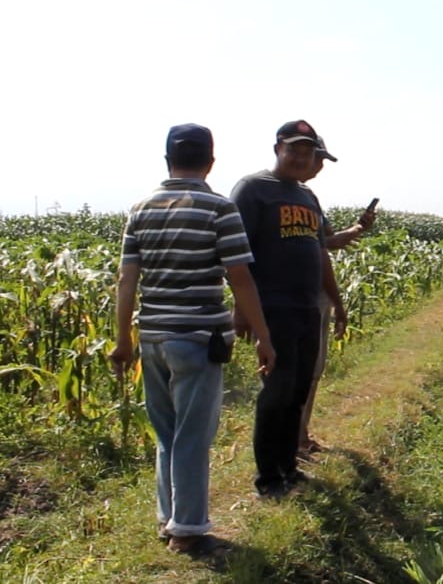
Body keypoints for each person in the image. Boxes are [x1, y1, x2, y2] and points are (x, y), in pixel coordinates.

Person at [109, 123, 275, 554]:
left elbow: (127, 279)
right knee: (193, 436)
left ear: (167, 161)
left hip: (153, 337)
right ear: (211, 162)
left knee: (167, 434)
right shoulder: (219, 209)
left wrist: (123, 339)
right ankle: (187, 530)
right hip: (199, 337)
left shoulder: (140, 209)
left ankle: (170, 518)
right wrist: (263, 337)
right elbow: (240, 277)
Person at [230, 119, 347, 498]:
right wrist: (242, 309)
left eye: (307, 151)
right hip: (273, 307)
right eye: (294, 149)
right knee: (276, 391)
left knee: (297, 390)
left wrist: (336, 300)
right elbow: (236, 254)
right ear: (277, 148)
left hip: (306, 307)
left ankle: (288, 468)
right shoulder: (252, 190)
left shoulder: (306, 197)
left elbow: (319, 249)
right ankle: (268, 479)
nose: (300, 157)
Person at [297, 140, 377, 459]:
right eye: (320, 159)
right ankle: (292, 442)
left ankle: (302, 435)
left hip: (318, 293)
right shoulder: (276, 194)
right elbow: (318, 245)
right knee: (300, 370)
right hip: (301, 295)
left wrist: (358, 227)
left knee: (313, 369)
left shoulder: (309, 198)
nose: (320, 166)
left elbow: (324, 241)